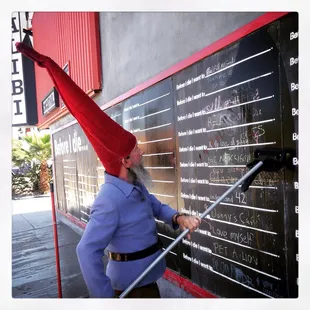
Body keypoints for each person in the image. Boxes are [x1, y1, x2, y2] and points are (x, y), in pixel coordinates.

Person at [15, 42, 201, 298]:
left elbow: (156, 206)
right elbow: (85, 251)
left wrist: (180, 218)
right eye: (136, 150)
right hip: (130, 290)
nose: (142, 153)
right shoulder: (109, 201)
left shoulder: (135, 185)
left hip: (149, 278)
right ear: (125, 161)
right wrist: (105, 299)